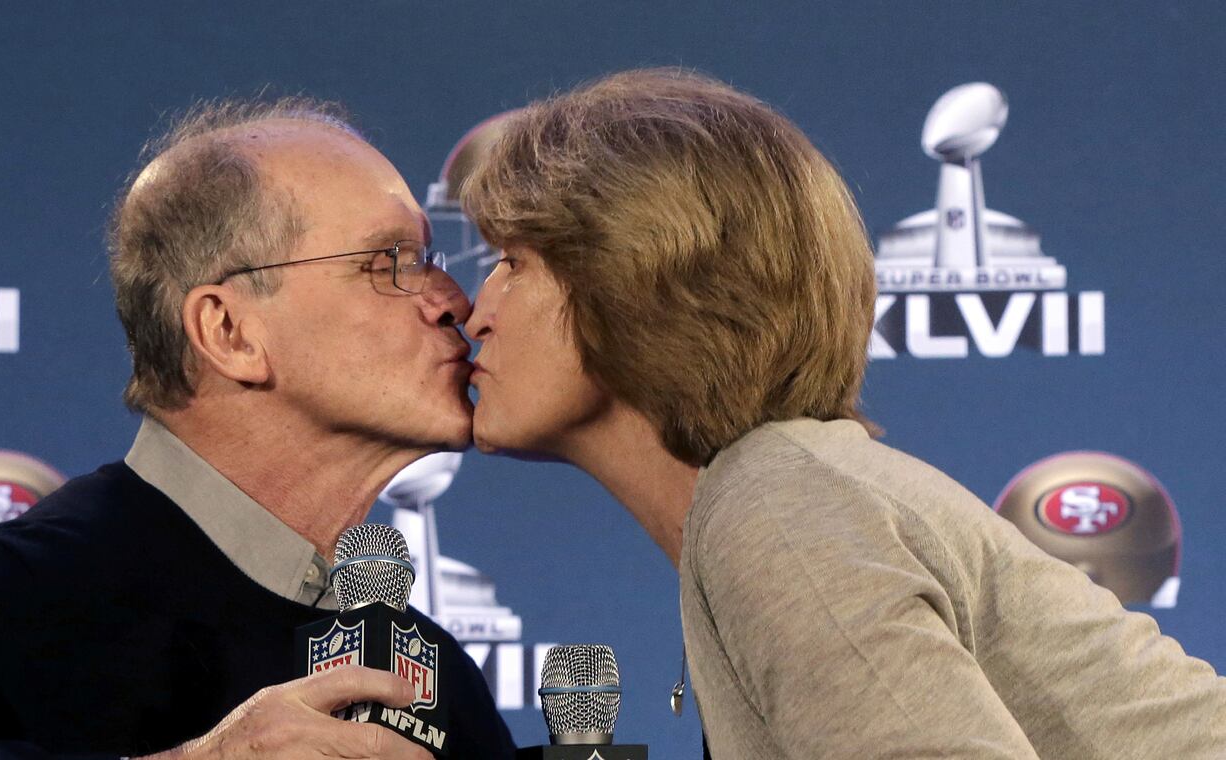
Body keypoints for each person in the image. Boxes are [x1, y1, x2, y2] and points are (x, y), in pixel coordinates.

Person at [0, 97, 514, 760]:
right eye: (389, 263)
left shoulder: (426, 666)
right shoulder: (31, 589)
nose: (451, 299)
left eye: (432, 256)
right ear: (229, 332)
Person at [460, 68, 1226, 759]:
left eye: (512, 264)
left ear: (636, 281)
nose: (476, 313)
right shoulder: (784, 490)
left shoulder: (776, 506)